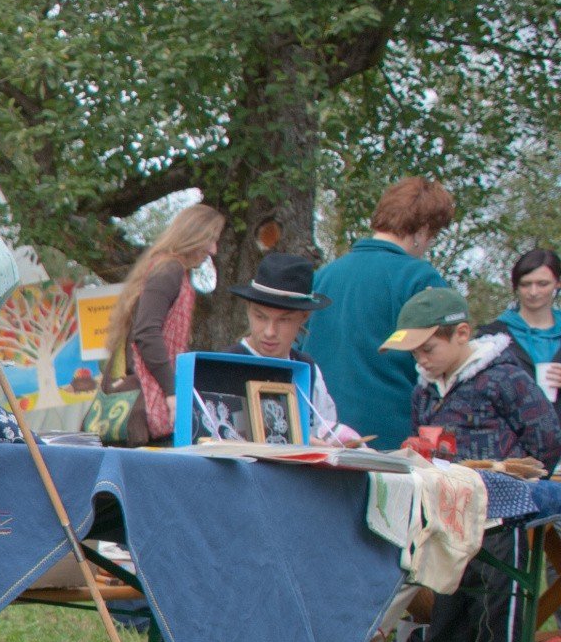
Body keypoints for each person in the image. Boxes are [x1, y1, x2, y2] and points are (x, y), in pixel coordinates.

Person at [381, 287, 561, 642]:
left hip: (502, 513)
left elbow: (546, 437)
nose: (421, 359)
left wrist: (519, 478)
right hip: (447, 515)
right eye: (415, 352)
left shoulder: (505, 378)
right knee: (447, 600)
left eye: (428, 348)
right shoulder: (425, 389)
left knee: (495, 603)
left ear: (461, 333)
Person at [303, 177, 455, 447]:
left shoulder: (324, 275)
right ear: (422, 232)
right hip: (391, 438)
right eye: (433, 236)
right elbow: (444, 361)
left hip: (321, 433)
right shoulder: (419, 279)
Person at [98, 203, 225, 445]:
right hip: (148, 402)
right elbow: (146, 333)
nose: (213, 250)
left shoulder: (168, 268)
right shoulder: (169, 270)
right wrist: (172, 390)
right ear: (193, 236)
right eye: (210, 239)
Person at [225, 251, 360, 444]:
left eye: (284, 320)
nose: (270, 331)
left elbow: (326, 428)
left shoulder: (307, 369)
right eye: (260, 317)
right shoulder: (222, 365)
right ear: (248, 309)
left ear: (304, 317)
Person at [478, 248, 561, 400]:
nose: (533, 292)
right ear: (515, 286)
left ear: (558, 283)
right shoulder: (491, 336)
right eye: (525, 284)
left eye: (542, 284)